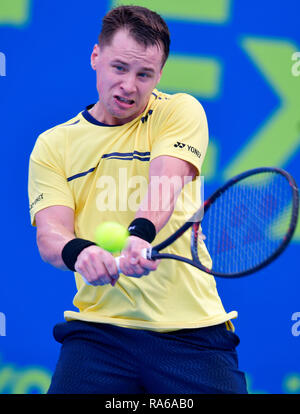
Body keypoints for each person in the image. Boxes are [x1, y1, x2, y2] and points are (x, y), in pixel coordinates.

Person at [28, 5, 248, 394]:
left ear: (159, 74)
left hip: (192, 333)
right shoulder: (53, 145)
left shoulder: (179, 111)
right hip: (98, 335)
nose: (130, 85)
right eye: (119, 68)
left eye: (144, 74)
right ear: (96, 57)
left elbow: (167, 181)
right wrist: (80, 252)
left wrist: (140, 233)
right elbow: (50, 234)